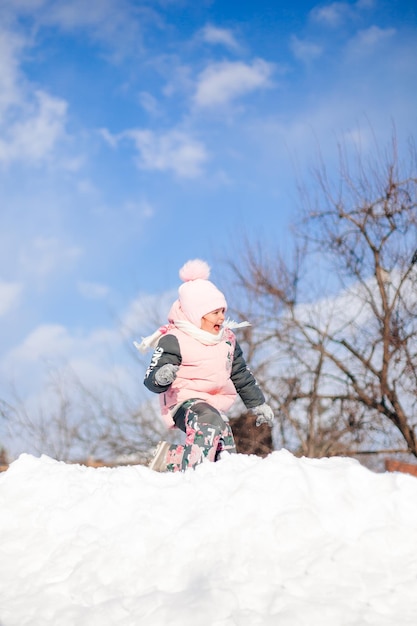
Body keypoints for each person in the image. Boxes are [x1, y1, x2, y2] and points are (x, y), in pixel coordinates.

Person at [136, 259, 274, 472]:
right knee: (208, 420)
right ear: (195, 313)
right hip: (184, 402)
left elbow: (240, 373)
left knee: (223, 447)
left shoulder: (227, 340)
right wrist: (162, 376)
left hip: (214, 405)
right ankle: (195, 475)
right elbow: (151, 379)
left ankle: (172, 459)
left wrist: (258, 403)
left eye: (222, 311)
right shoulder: (175, 338)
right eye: (214, 312)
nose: (221, 317)